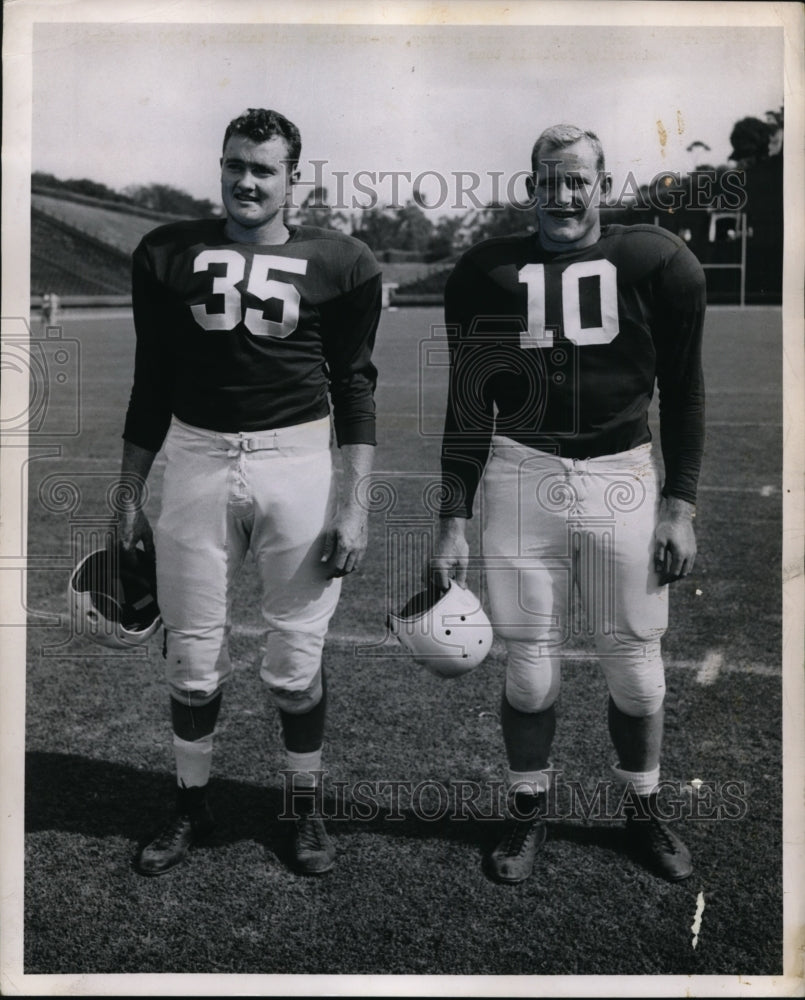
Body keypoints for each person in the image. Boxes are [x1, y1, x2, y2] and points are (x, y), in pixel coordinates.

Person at [430, 124, 705, 884]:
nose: (561, 195)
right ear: (531, 186)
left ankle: (642, 811)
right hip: (522, 473)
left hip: (623, 472)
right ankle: (527, 812)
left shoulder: (653, 262)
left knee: (637, 669)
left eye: (576, 180)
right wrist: (451, 518)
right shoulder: (487, 273)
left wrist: (678, 504)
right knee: (528, 671)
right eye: (548, 180)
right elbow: (466, 407)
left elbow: (683, 390)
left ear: (601, 185)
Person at [117, 108, 382, 877]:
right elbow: (149, 386)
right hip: (196, 459)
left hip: (295, 462)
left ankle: (303, 807)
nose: (246, 180)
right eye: (235, 164)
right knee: (192, 662)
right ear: (221, 165)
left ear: (292, 178)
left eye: (263, 168)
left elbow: (355, 387)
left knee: (295, 666)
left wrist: (355, 502)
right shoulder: (167, 251)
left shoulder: (343, 261)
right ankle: (189, 805)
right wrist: (125, 495)